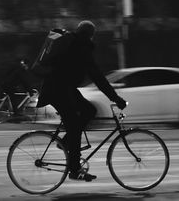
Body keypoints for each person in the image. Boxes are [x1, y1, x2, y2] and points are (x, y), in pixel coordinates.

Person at [37, 20, 127, 182]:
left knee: (89, 111)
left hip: (63, 88)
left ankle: (66, 142)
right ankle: (74, 169)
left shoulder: (73, 42)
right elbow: (98, 77)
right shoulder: (81, 48)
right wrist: (116, 98)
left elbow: (94, 76)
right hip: (58, 90)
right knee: (74, 125)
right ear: (91, 35)